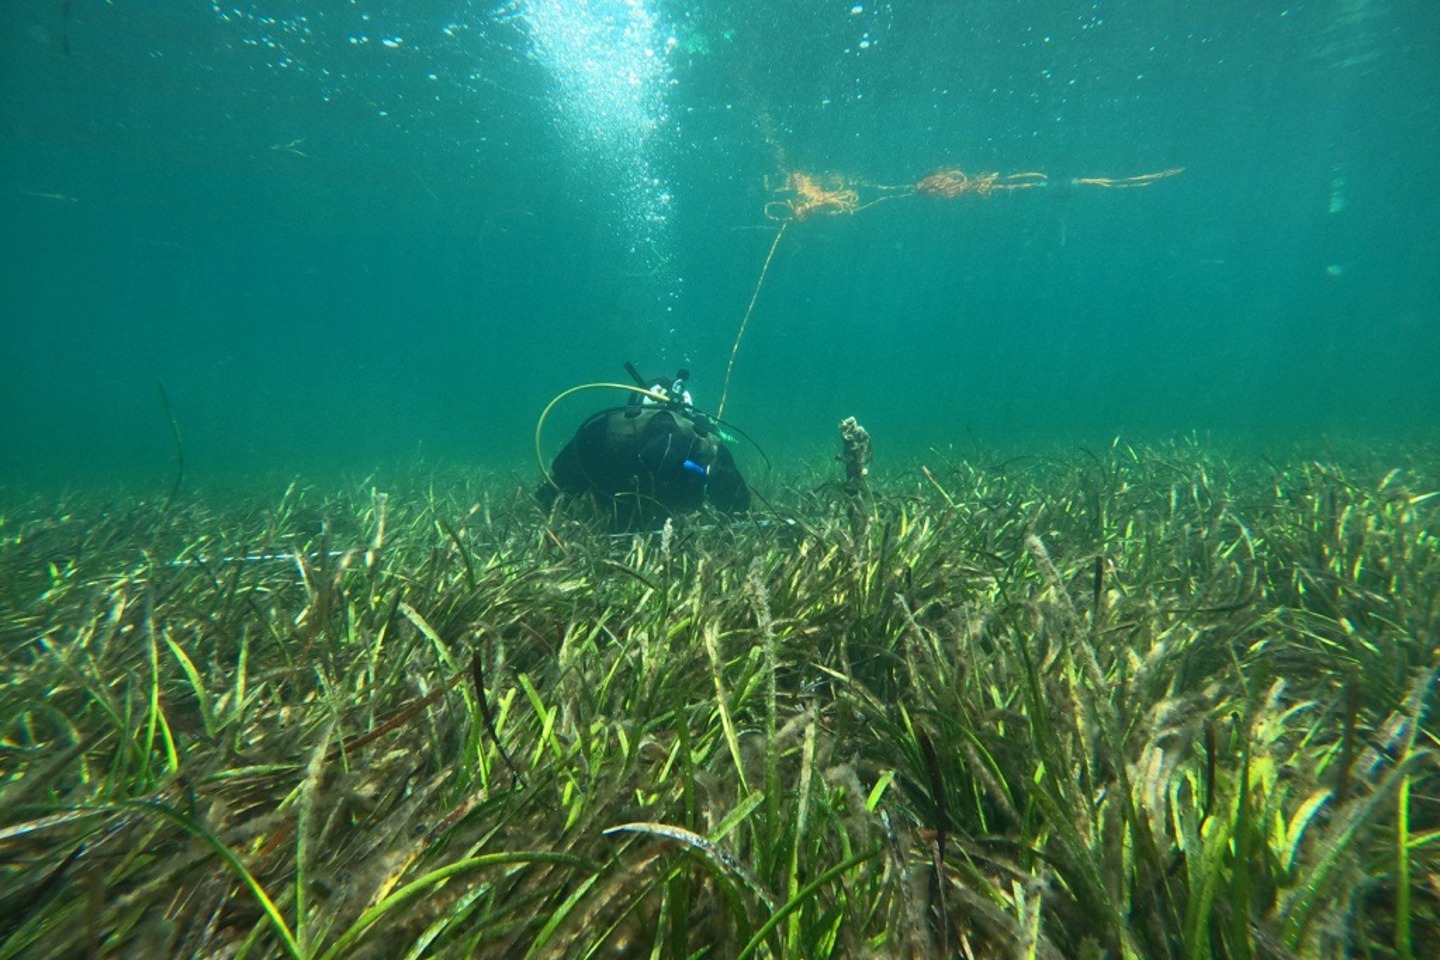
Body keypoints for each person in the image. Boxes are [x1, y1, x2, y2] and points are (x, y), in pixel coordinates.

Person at [542, 365, 750, 530]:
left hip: (614, 524)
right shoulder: (707, 442)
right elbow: (737, 505)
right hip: (676, 535)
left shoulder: (604, 427)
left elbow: (553, 492)